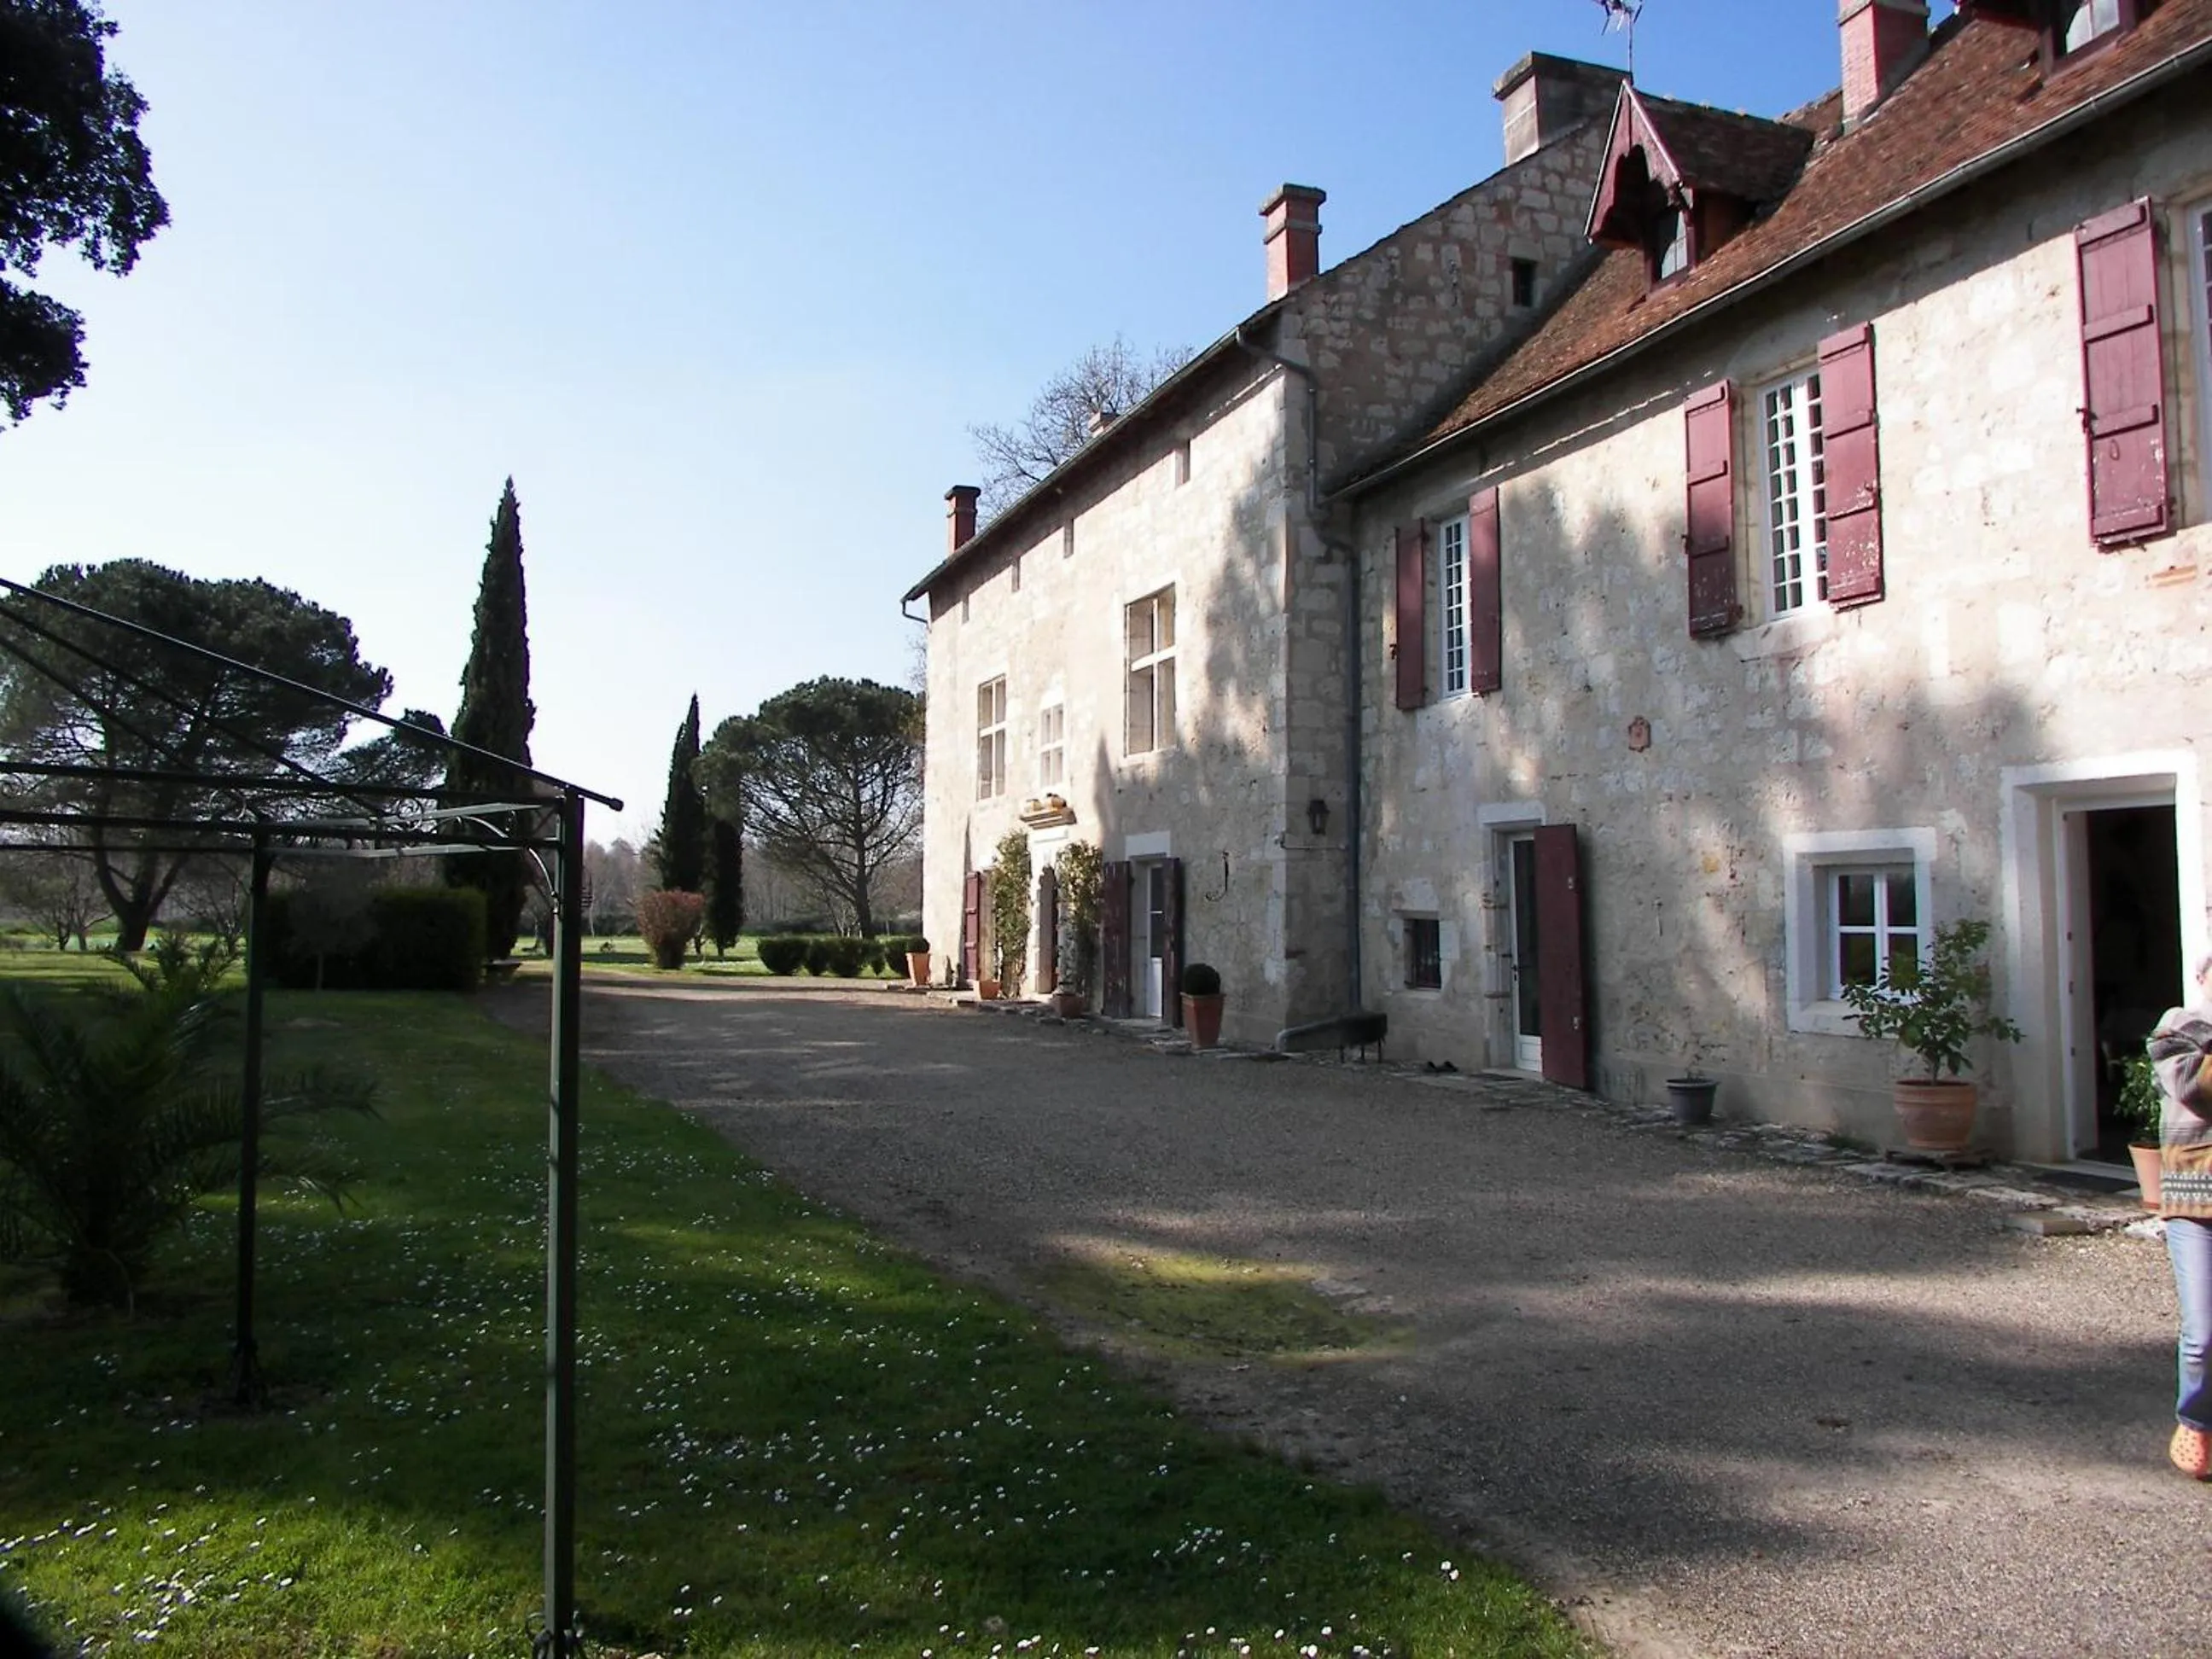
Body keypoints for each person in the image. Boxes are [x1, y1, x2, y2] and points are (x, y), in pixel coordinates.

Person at [2147, 952, 2212, 1480]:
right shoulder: (2179, 1031)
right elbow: (2197, 1089)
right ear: (2203, 979)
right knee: (2203, 1334)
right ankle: (2196, 1420)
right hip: (2194, 1202)